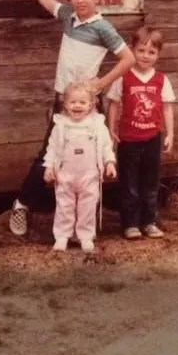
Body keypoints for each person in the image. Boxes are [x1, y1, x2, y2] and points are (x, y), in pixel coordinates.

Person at [9, 0, 135, 237]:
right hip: (61, 101)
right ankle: (22, 204)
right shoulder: (69, 17)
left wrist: (101, 84)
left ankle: (84, 223)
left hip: (88, 103)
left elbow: (128, 58)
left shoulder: (103, 28)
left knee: (88, 156)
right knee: (49, 154)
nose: (80, 0)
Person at [106, 25, 176, 239]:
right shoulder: (123, 76)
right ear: (132, 50)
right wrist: (110, 130)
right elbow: (114, 104)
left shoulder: (161, 80)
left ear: (158, 55)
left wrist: (170, 134)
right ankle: (130, 224)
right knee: (129, 183)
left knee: (150, 182)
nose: (146, 56)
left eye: (151, 52)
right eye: (141, 50)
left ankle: (149, 221)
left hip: (153, 138)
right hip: (128, 139)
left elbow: (167, 107)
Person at [42, 81, 117, 253]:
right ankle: (62, 236)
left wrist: (109, 162)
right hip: (65, 174)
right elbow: (52, 148)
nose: (77, 106)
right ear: (65, 104)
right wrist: (49, 167)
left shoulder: (97, 125)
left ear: (91, 104)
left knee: (88, 206)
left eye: (82, 102)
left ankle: (85, 236)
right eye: (73, 102)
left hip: (89, 174)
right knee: (64, 205)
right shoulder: (60, 126)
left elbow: (106, 146)